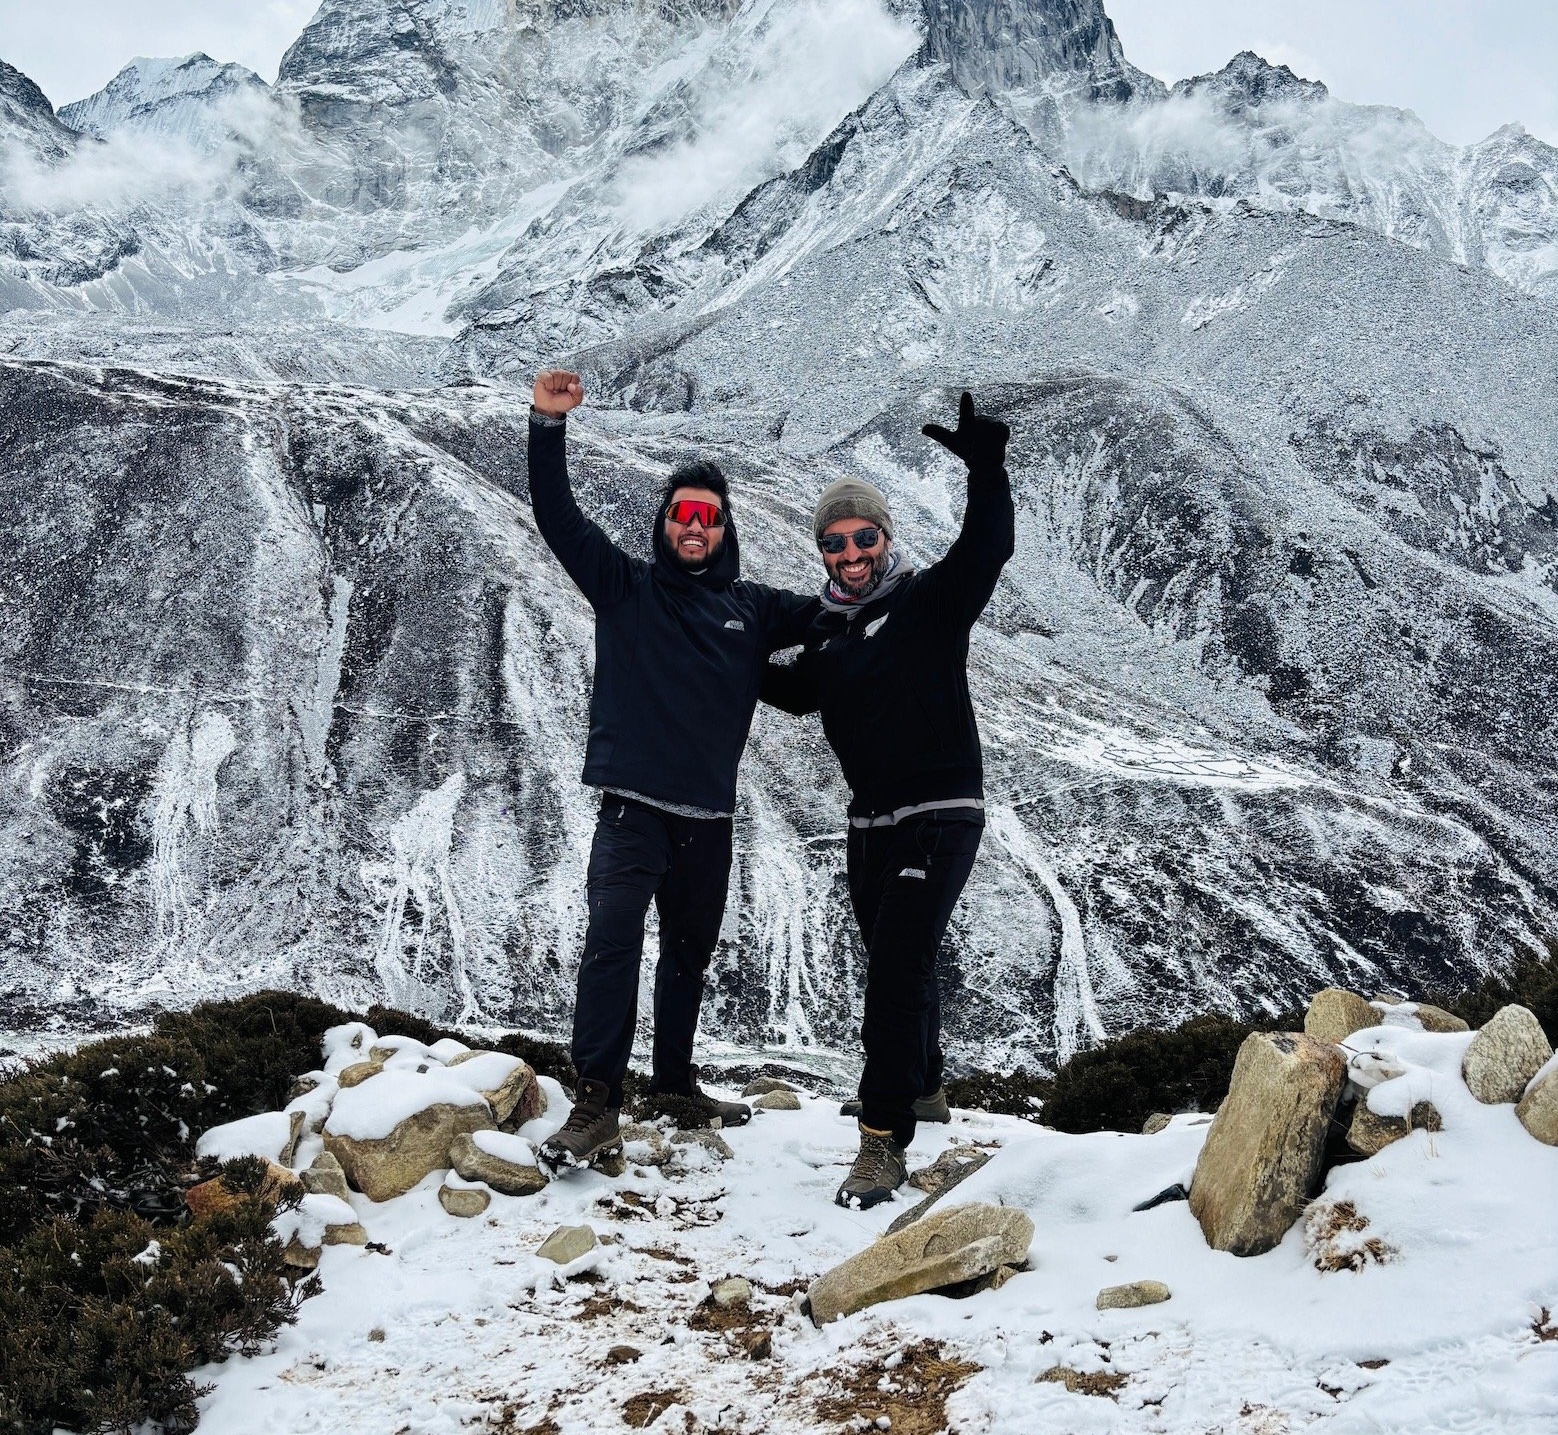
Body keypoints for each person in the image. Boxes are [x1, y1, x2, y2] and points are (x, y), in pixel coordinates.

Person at [527, 368, 818, 1170]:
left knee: (689, 953)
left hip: (709, 821)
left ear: (725, 530)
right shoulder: (626, 588)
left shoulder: (755, 609)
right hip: (631, 811)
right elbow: (557, 517)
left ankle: (675, 1082)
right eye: (683, 514)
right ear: (665, 524)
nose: (695, 527)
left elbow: (832, 612)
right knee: (613, 944)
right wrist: (547, 425)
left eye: (709, 517)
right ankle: (595, 1102)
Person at [762, 391, 1014, 1208]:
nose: (850, 552)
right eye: (834, 543)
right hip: (869, 822)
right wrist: (700, 650)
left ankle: (881, 1141)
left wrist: (987, 468)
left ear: (885, 538)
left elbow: (987, 550)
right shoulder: (829, 640)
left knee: (897, 967)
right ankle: (926, 1085)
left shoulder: (928, 604)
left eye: (863, 536)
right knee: (896, 959)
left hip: (941, 812)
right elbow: (789, 690)